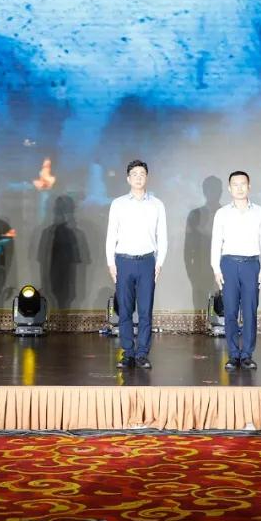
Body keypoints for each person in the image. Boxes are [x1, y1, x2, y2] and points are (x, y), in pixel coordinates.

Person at [105, 159, 167, 370]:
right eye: (134, 174)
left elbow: (162, 236)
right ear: (128, 178)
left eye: (142, 174)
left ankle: (142, 354)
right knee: (124, 310)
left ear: (146, 177)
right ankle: (128, 353)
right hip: (124, 261)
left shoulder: (157, 204)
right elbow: (111, 235)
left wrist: (159, 263)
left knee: (145, 311)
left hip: (147, 261)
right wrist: (111, 263)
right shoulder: (118, 204)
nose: (138, 178)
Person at [210, 171, 261, 370]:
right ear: (229, 188)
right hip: (228, 264)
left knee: (250, 311)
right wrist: (216, 269)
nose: (239, 188)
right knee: (230, 311)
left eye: (243, 184)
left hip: (252, 265)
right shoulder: (222, 213)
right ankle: (233, 354)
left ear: (249, 186)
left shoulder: (260, 212)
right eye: (235, 185)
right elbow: (216, 242)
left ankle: (247, 355)